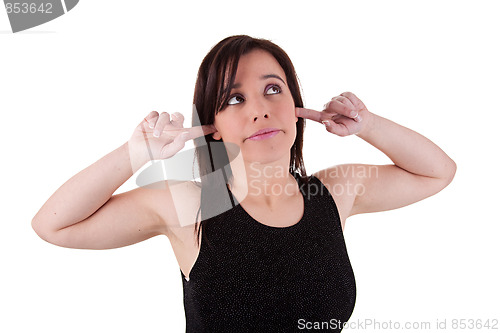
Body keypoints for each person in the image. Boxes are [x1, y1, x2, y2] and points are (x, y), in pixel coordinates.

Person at [32, 35, 456, 332]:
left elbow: (438, 171)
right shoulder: (191, 204)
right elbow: (54, 225)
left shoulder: (333, 193)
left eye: (274, 89)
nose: (260, 109)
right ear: (211, 125)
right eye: (235, 98)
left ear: (296, 107)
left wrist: (367, 124)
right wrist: (135, 153)